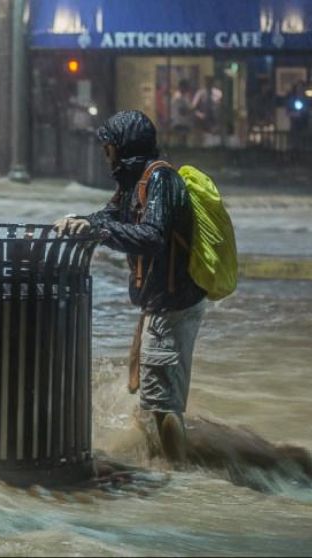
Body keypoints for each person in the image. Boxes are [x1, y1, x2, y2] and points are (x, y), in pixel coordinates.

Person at [53, 110, 206, 464]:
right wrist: (83, 222)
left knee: (163, 403)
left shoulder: (160, 180)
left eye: (109, 149)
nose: (107, 157)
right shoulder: (134, 183)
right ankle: (161, 464)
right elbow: (109, 216)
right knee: (151, 397)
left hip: (174, 305)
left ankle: (180, 480)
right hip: (160, 303)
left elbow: (153, 236)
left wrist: (100, 233)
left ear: (125, 148)